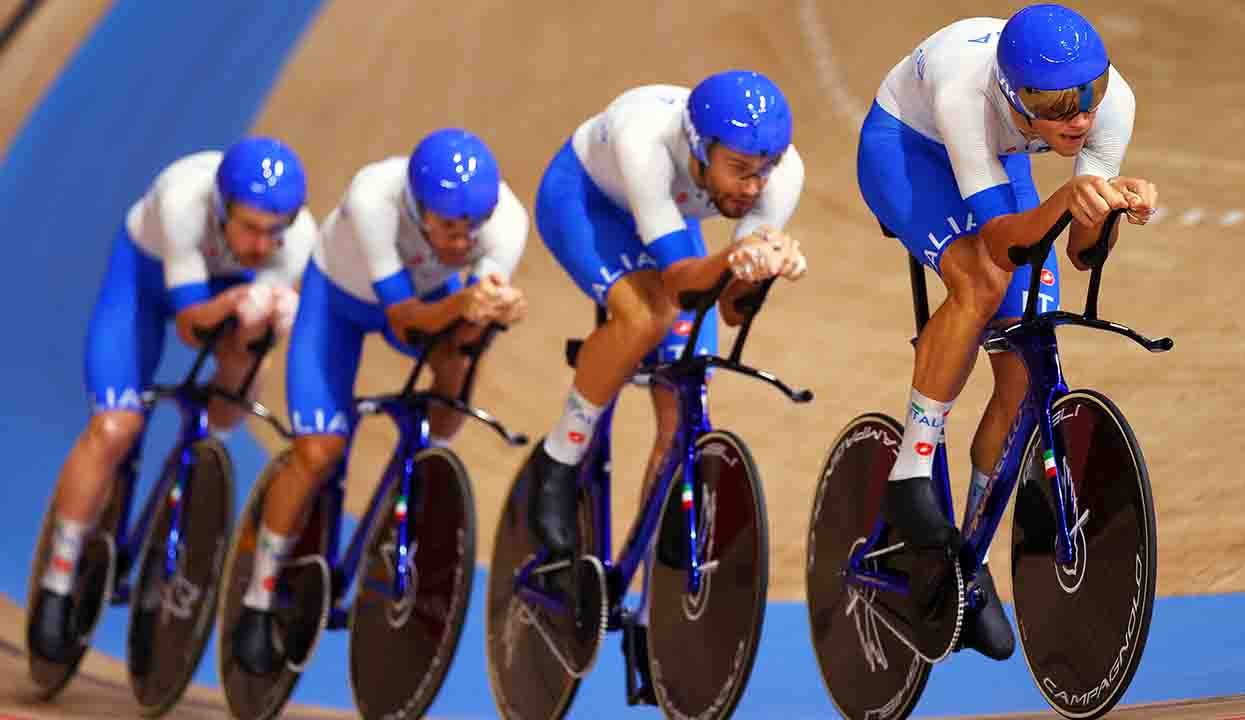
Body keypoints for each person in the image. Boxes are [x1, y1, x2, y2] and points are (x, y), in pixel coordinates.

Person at [855, 3, 1158, 660]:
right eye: (1057, 105)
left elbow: (1079, 251)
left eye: (1089, 97)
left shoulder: (1111, 105)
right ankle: (913, 468)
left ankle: (970, 560)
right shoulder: (967, 91)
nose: (1079, 118)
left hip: (999, 155)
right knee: (982, 279)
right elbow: (999, 242)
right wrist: (1065, 201)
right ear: (1015, 98)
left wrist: (1110, 211)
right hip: (907, 147)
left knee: (1026, 355)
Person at [527, 69, 807, 690]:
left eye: (765, 169)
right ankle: (559, 457)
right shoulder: (644, 141)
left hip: (674, 232)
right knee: (647, 314)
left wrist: (760, 270)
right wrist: (735, 257)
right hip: (588, 203)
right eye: (740, 169)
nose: (755, 185)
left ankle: (647, 612)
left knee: (683, 399)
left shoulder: (778, 176)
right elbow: (681, 282)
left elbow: (729, 307)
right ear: (699, 150)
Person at [231, 128, 529, 675]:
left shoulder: (507, 221)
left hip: (426, 302)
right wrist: (465, 300)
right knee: (318, 452)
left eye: (471, 232)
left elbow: (464, 316)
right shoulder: (374, 197)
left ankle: (423, 459)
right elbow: (405, 320)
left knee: (460, 364)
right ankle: (258, 595)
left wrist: (488, 312)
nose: (461, 244)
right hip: (339, 302)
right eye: (447, 229)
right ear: (417, 209)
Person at [28, 137, 315, 663]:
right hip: (144, 283)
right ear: (221, 208)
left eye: (274, 231)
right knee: (117, 427)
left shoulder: (295, 242)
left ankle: (188, 473)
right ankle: (57, 579)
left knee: (242, 374)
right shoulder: (184, 200)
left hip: (227, 292)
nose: (261, 243)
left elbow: (247, 339)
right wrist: (231, 301)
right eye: (249, 227)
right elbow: (190, 326)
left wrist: (264, 327)